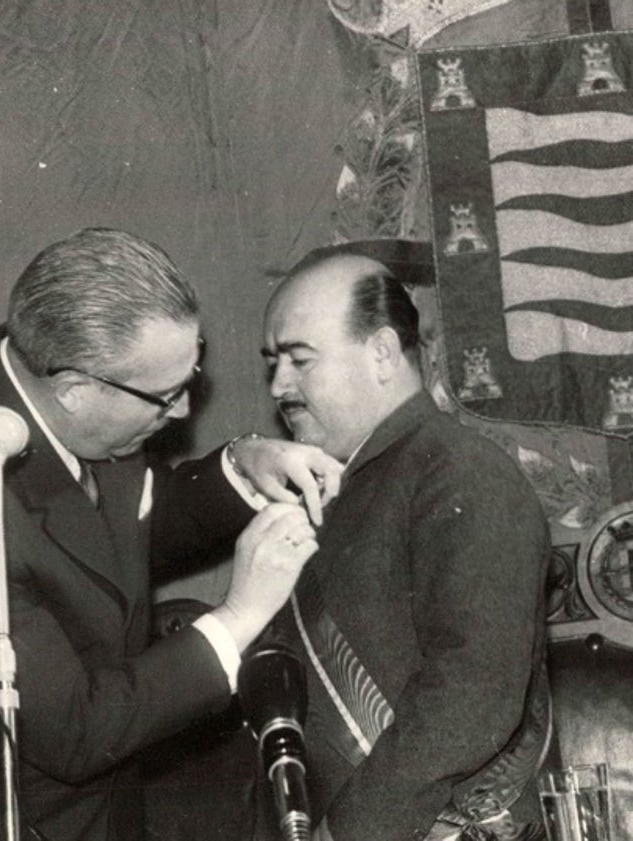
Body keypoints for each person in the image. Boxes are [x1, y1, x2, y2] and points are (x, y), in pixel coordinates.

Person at [0, 227, 343, 841]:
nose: (180, 414)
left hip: (111, 797)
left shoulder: (59, 362)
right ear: (73, 388)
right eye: (165, 396)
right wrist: (240, 614)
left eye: (189, 377)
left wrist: (243, 466)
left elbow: (110, 534)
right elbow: (76, 730)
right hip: (24, 818)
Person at [256, 239, 552, 841]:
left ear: (384, 353)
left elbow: (473, 693)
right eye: (272, 363)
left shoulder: (460, 470)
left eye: (300, 359)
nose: (279, 384)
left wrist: (349, 830)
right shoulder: (334, 486)